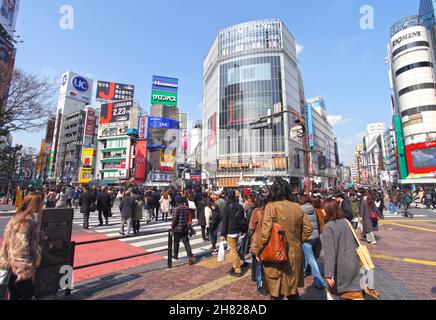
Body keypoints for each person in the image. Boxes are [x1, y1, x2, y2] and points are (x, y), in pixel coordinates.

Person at [251, 179, 313, 300]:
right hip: (294, 254)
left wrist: (256, 250)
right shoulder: (297, 207)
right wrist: (296, 241)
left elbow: (265, 233)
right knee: (292, 291)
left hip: (275, 253)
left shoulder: (271, 207)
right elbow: (308, 229)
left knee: (276, 291)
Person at [0, 192, 44, 300]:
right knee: (27, 293)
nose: (42, 205)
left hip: (10, 264)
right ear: (34, 204)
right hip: (19, 267)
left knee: (15, 295)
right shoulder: (27, 221)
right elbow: (20, 247)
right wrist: (22, 270)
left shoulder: (18, 217)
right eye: (41, 203)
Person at [321, 199, 363, 300]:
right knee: (353, 293)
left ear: (328, 210)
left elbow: (330, 253)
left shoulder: (328, 227)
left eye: (323, 208)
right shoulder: (346, 222)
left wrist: (328, 274)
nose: (321, 211)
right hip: (353, 264)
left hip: (339, 268)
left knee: (332, 293)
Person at [300, 195, 325, 289]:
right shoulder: (312, 209)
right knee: (309, 256)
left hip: (306, 236)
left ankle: (319, 280)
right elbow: (317, 222)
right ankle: (304, 271)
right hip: (315, 235)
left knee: (311, 258)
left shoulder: (301, 209)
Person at [220, 190, 246, 277]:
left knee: (233, 251)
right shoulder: (240, 206)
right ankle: (235, 265)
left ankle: (237, 269)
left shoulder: (226, 208)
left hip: (230, 232)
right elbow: (243, 219)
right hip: (238, 231)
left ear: (227, 197)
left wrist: (222, 234)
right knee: (235, 249)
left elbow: (224, 222)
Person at [171, 195, 194, 265]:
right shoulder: (187, 208)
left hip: (177, 229)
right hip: (184, 228)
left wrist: (172, 226)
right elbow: (188, 218)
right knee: (186, 243)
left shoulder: (176, 209)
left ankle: (175, 255)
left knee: (176, 243)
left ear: (176, 201)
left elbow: (175, 220)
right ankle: (190, 256)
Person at [248, 196, 267, 283]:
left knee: (256, 259)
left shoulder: (256, 211)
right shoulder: (269, 211)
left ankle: (256, 278)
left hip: (257, 238)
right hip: (267, 237)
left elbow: (251, 227)